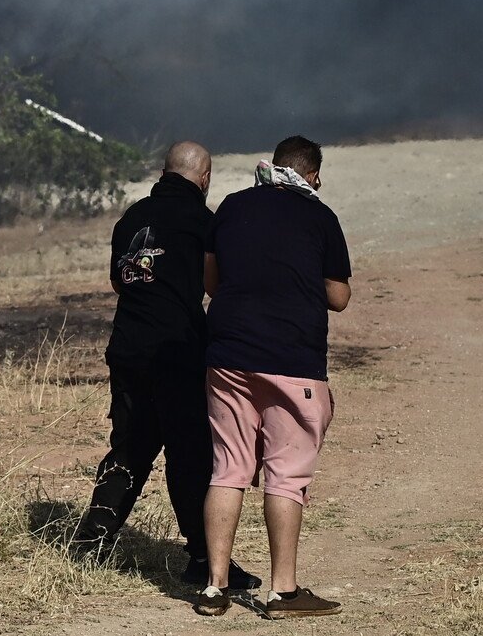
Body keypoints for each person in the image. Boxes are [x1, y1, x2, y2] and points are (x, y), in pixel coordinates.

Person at [74, 141, 260, 595]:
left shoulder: (133, 216)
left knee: (131, 444)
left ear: (163, 172)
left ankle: (89, 544)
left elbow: (120, 281)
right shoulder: (204, 221)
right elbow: (220, 284)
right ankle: (203, 559)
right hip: (178, 351)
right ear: (205, 178)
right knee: (190, 452)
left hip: (128, 348)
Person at [194, 135, 352, 619]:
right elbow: (339, 297)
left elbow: (211, 282)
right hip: (293, 360)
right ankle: (284, 592)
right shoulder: (320, 216)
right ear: (314, 174)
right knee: (286, 476)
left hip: (227, 355)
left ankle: (214, 587)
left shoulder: (232, 206)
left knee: (228, 469)